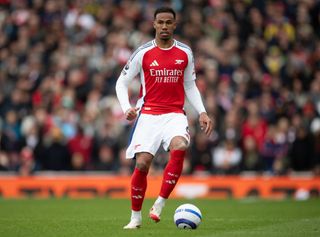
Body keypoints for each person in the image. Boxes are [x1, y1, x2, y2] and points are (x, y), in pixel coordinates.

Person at [115, 7, 213, 229]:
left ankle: (160, 203)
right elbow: (121, 82)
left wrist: (203, 111)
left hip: (175, 114)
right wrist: (126, 107)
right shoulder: (143, 52)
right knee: (142, 164)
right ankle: (135, 218)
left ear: (175, 25)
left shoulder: (185, 53)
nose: (165, 26)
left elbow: (190, 84)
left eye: (169, 22)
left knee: (180, 146)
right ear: (154, 24)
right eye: (161, 22)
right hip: (148, 113)